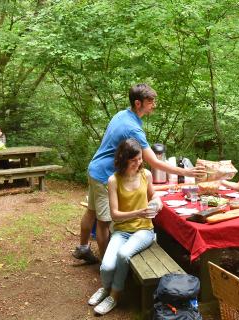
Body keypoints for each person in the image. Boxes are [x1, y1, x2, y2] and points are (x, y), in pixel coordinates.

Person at [72, 83, 204, 264]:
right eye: (150, 102)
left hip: (94, 168)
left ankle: (83, 247)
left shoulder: (122, 114)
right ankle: (106, 266)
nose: (154, 105)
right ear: (138, 103)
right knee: (103, 222)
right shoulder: (133, 129)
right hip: (105, 175)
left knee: (91, 211)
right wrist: (186, 171)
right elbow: (155, 162)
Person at [88, 138, 162, 315]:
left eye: (140, 159)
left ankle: (114, 296)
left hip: (144, 230)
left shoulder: (146, 175)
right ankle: (105, 289)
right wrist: (138, 212)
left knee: (123, 254)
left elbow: (154, 195)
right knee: (106, 267)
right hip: (121, 231)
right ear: (123, 159)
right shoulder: (114, 180)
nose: (139, 163)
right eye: (134, 160)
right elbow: (114, 215)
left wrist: (158, 202)